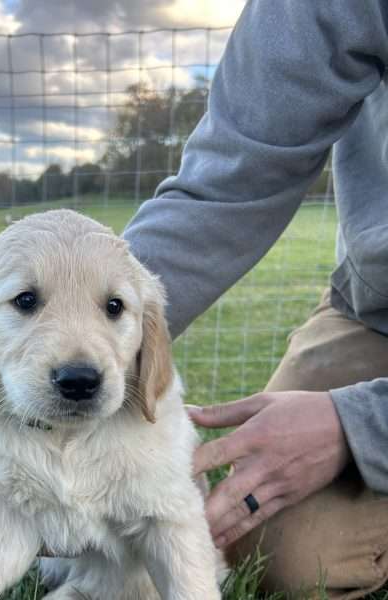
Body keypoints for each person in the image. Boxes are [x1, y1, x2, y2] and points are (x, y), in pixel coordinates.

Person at [121, 1, 388, 598]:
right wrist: (97, 329)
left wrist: (360, 428)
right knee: (273, 547)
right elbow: (229, 178)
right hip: (378, 310)